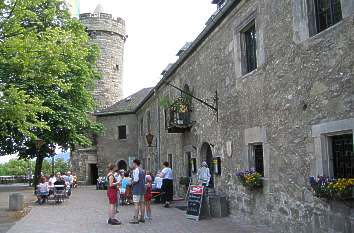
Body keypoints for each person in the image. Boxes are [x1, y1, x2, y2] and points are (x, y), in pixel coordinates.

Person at [129, 159, 146, 224]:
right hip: (142, 188)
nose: (132, 165)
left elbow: (136, 180)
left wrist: (131, 183)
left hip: (137, 189)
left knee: (136, 204)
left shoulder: (136, 170)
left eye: (133, 163)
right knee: (142, 203)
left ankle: (135, 218)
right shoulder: (143, 170)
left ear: (135, 163)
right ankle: (142, 217)